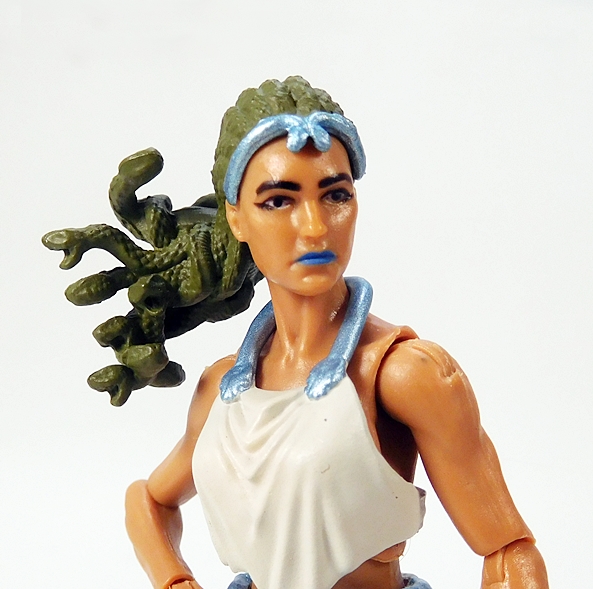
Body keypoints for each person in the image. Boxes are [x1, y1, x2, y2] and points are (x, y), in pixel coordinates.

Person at [124, 76, 548, 589]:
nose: (315, 227)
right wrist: (174, 579)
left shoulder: (404, 375)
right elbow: (149, 501)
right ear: (236, 218)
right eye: (278, 201)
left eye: (336, 195)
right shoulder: (223, 390)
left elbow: (508, 550)